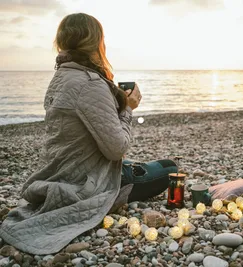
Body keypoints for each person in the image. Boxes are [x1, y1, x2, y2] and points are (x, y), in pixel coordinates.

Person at [0, 13, 177, 255]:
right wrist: (127, 109)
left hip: (63, 170)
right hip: (88, 183)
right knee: (171, 169)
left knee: (158, 165)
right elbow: (116, 149)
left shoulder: (61, 76)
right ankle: (115, 197)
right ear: (96, 42)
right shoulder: (90, 84)